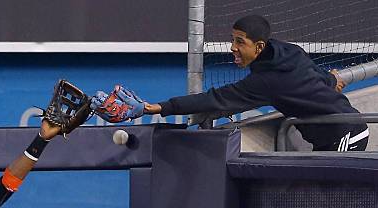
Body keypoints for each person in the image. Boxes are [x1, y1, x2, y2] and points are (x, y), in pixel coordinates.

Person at [141, 15, 369, 151]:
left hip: (345, 134)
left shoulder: (266, 82)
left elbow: (214, 99)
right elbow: (315, 76)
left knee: (333, 207)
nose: (233, 48)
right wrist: (331, 80)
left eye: (240, 42)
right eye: (232, 40)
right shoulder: (289, 51)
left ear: (259, 47)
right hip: (342, 128)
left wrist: (160, 107)